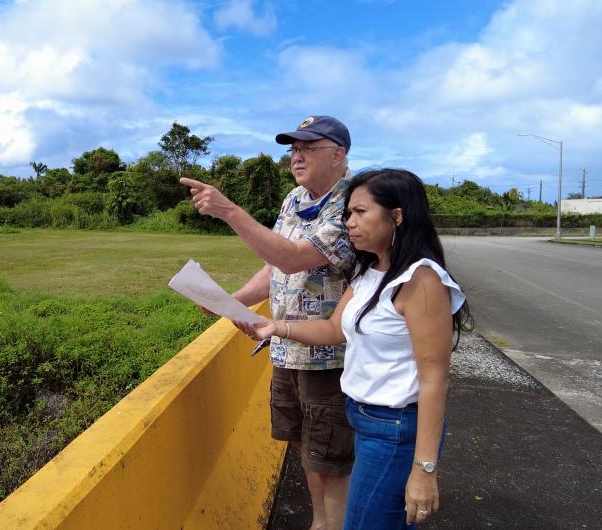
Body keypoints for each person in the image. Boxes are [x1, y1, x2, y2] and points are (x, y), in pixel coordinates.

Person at [243, 168, 471, 529]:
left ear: (397, 216)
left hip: (395, 428)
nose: (349, 222)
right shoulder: (371, 271)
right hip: (361, 418)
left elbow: (434, 378)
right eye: (348, 213)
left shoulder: (421, 280)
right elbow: (335, 328)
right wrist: (278, 327)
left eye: (361, 212)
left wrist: (424, 470)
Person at [181, 115, 356, 530]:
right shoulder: (294, 199)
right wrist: (232, 301)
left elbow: (295, 256)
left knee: (330, 454)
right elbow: (276, 267)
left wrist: (228, 211)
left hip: (328, 354)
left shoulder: (352, 203)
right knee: (303, 444)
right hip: (286, 349)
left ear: (338, 154)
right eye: (293, 149)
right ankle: (321, 522)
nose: (296, 156)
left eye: (308, 147)